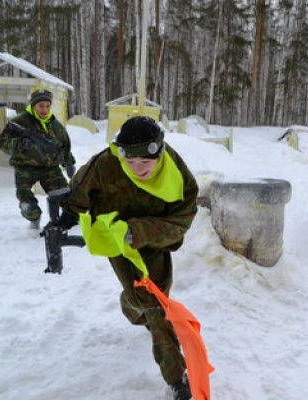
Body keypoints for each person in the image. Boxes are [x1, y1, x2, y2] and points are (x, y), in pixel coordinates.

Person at [57, 116, 198, 400]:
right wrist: (69, 214)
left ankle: (174, 372)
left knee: (153, 302)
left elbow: (182, 219)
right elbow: (81, 189)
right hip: (114, 238)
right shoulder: (106, 163)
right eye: (130, 163)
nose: (138, 169)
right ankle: (174, 372)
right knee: (147, 302)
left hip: (153, 239)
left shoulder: (177, 173)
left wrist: (139, 232)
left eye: (145, 163)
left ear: (159, 152)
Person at [0, 89, 76, 231]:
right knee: (27, 204)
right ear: (33, 106)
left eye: (47, 106)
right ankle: (34, 222)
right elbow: (2, 142)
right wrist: (20, 144)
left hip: (50, 168)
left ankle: (66, 223)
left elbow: (63, 147)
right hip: (25, 168)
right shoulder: (20, 122)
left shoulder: (55, 125)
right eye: (41, 106)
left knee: (66, 198)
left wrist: (69, 163)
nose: (44, 109)